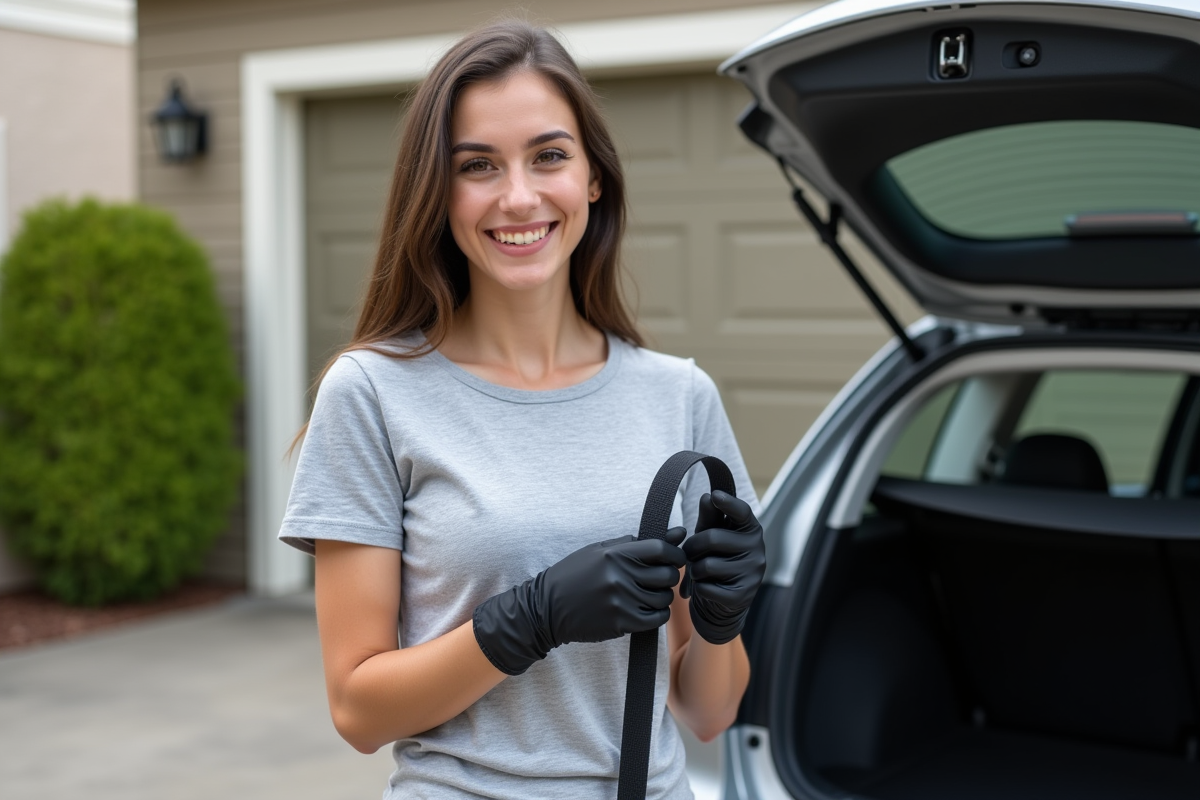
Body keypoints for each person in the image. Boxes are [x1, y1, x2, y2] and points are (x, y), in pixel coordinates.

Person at [279, 18, 766, 800]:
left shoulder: (680, 397)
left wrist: (720, 622)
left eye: (548, 156)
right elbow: (359, 709)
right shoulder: (372, 392)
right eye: (478, 165)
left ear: (593, 177)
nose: (518, 196)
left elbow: (708, 712)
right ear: (437, 193)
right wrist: (530, 620)